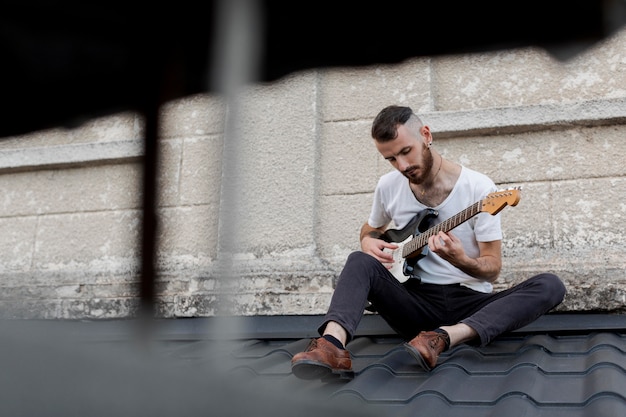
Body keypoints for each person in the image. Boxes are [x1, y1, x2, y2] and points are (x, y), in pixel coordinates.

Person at [291, 105, 566, 380]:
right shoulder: (388, 187)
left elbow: (493, 268)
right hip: (414, 303)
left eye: (405, 151)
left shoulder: (480, 189)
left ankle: (444, 338)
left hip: (469, 306)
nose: (402, 166)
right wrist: (367, 241)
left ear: (425, 135)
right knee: (358, 260)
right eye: (391, 159)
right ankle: (331, 347)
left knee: (550, 285)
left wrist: (461, 260)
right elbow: (371, 228)